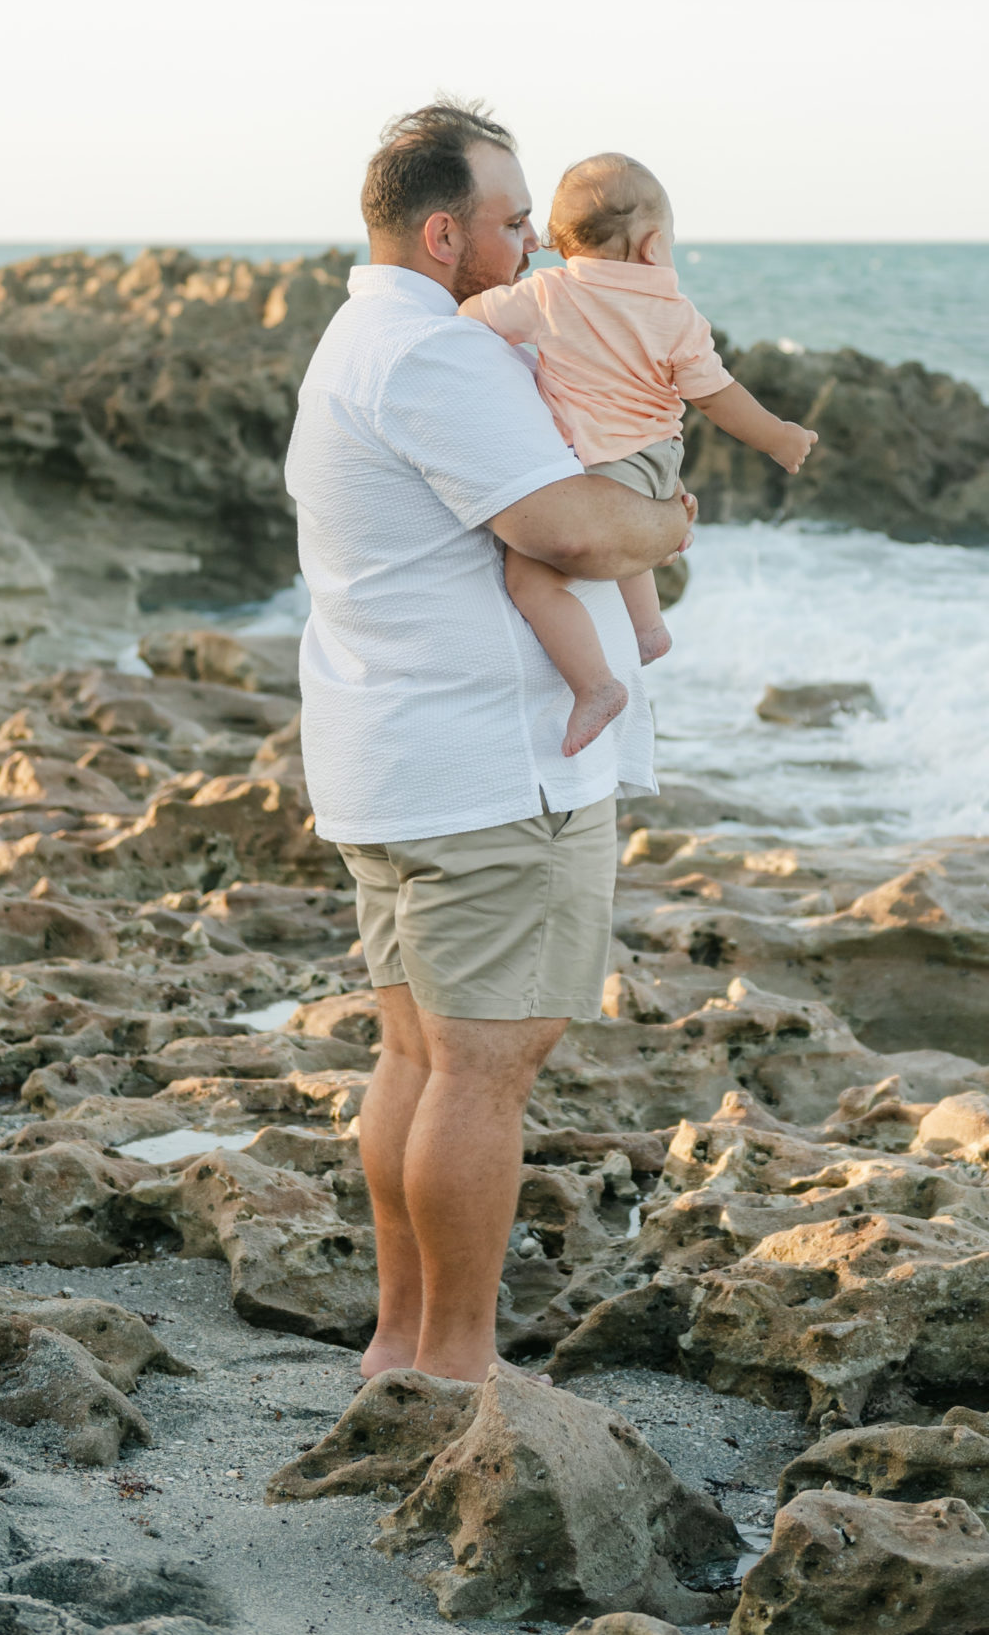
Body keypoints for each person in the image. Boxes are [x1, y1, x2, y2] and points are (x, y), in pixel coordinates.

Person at [283, 100, 693, 1385]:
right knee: (482, 1070)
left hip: (403, 761)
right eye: (515, 221)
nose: (535, 241)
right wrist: (668, 524)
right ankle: (456, 1362)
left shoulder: (366, 338)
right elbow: (569, 529)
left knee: (422, 1057)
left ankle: (403, 1345)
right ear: (444, 229)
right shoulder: (437, 359)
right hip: (489, 774)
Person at [461, 151, 816, 754]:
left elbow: (472, 316)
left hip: (603, 467)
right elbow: (718, 397)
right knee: (631, 543)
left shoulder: (550, 293)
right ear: (653, 246)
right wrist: (779, 436)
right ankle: (648, 631)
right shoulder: (677, 316)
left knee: (529, 579)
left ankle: (596, 684)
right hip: (661, 463)